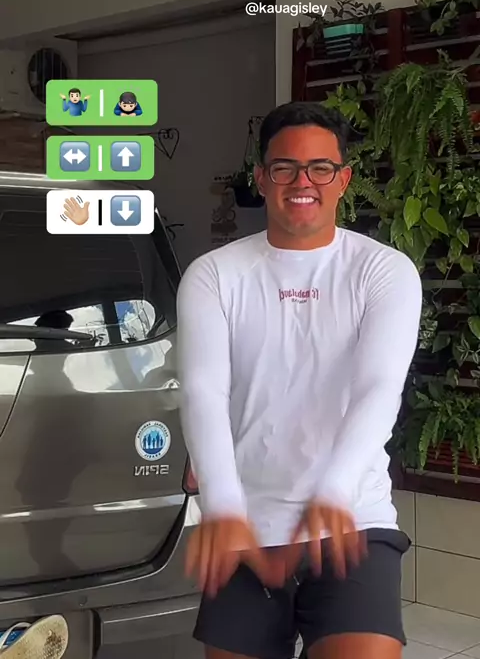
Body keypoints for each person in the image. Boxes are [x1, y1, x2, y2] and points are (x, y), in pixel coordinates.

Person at [177, 101, 422, 659]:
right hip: (246, 523)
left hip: (353, 520)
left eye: (320, 168)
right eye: (284, 167)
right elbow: (203, 393)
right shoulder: (214, 275)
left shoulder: (383, 271)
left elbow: (378, 386)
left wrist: (332, 493)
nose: (302, 182)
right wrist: (223, 509)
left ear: (343, 180)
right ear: (262, 178)